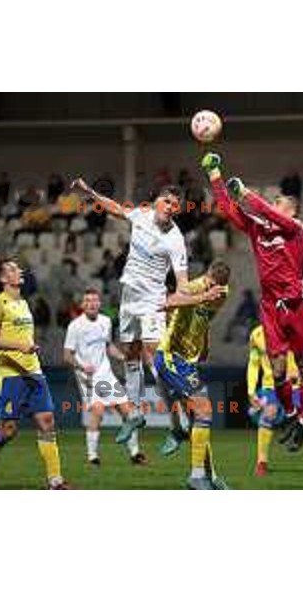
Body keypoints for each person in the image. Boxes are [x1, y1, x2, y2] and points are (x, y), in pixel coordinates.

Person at [70, 178, 223, 456]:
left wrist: (201, 296)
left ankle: (177, 425)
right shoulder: (140, 215)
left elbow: (182, 286)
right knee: (131, 355)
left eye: (176, 206)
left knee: (158, 363)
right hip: (128, 297)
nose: (171, 208)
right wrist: (90, 193)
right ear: (155, 203)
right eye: (167, 202)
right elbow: (116, 208)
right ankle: (134, 415)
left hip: (153, 301)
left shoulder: (175, 239)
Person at [202, 152, 303, 452]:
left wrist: (247, 194)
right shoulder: (257, 228)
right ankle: (292, 416)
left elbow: (268, 211)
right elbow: (227, 209)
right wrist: (215, 176)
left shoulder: (296, 229)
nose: (272, 208)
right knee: (277, 370)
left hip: (294, 304)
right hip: (269, 305)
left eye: (277, 204)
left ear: (291, 211)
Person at [0, 259, 70, 489]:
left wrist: (29, 351)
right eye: (13, 269)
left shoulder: (24, 303)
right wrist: (19, 346)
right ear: (3, 278)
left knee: (47, 421)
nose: (19, 270)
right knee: (9, 429)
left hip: (33, 370)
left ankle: (55, 481)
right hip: (10, 373)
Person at [154, 260, 231, 489]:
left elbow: (205, 318)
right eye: (210, 284)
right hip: (170, 356)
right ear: (206, 276)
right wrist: (202, 296)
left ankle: (210, 476)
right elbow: (169, 302)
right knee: (204, 410)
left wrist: (205, 344)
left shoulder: (222, 294)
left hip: (188, 361)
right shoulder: (193, 287)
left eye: (216, 287)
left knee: (200, 417)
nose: (212, 289)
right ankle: (197, 476)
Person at [64, 288, 146, 466]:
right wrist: (81, 367)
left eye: (95, 300)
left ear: (100, 304)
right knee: (98, 412)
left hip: (106, 373)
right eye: (88, 301)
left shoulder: (106, 321)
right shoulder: (75, 326)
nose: (92, 304)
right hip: (88, 377)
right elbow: (67, 355)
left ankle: (135, 454)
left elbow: (108, 346)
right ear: (82, 305)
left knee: (127, 412)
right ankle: (93, 457)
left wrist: (123, 358)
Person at [246, 323, 303, 477]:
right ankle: (261, 463)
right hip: (271, 386)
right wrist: (251, 391)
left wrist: (301, 370)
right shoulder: (257, 334)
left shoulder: (297, 328)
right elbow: (254, 363)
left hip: (296, 385)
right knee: (269, 413)